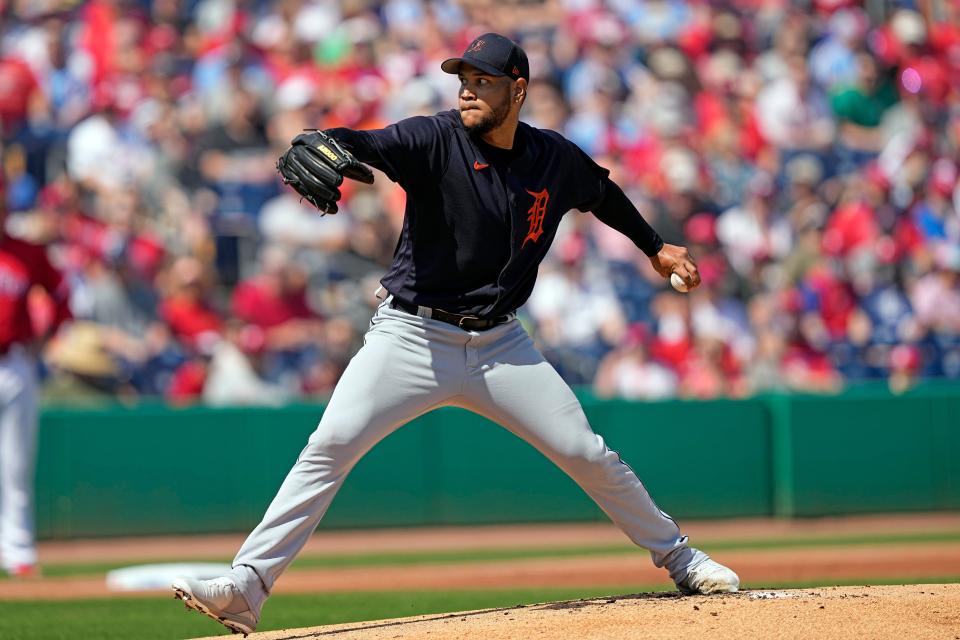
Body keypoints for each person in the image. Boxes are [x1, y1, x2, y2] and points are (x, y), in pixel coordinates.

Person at [172, 33, 739, 636]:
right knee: (330, 444)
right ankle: (247, 587)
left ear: (517, 90)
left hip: (501, 345)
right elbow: (365, 140)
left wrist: (655, 248)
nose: (467, 88)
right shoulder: (434, 137)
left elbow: (602, 194)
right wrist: (326, 141)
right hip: (410, 336)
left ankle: (679, 557)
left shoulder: (552, 157)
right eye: (462, 78)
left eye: (484, 80)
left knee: (585, 452)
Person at [0, 184, 71, 577]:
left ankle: (17, 550)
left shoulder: (26, 251)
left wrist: (45, 338)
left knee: (15, 464)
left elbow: (61, 291)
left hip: (14, 363)